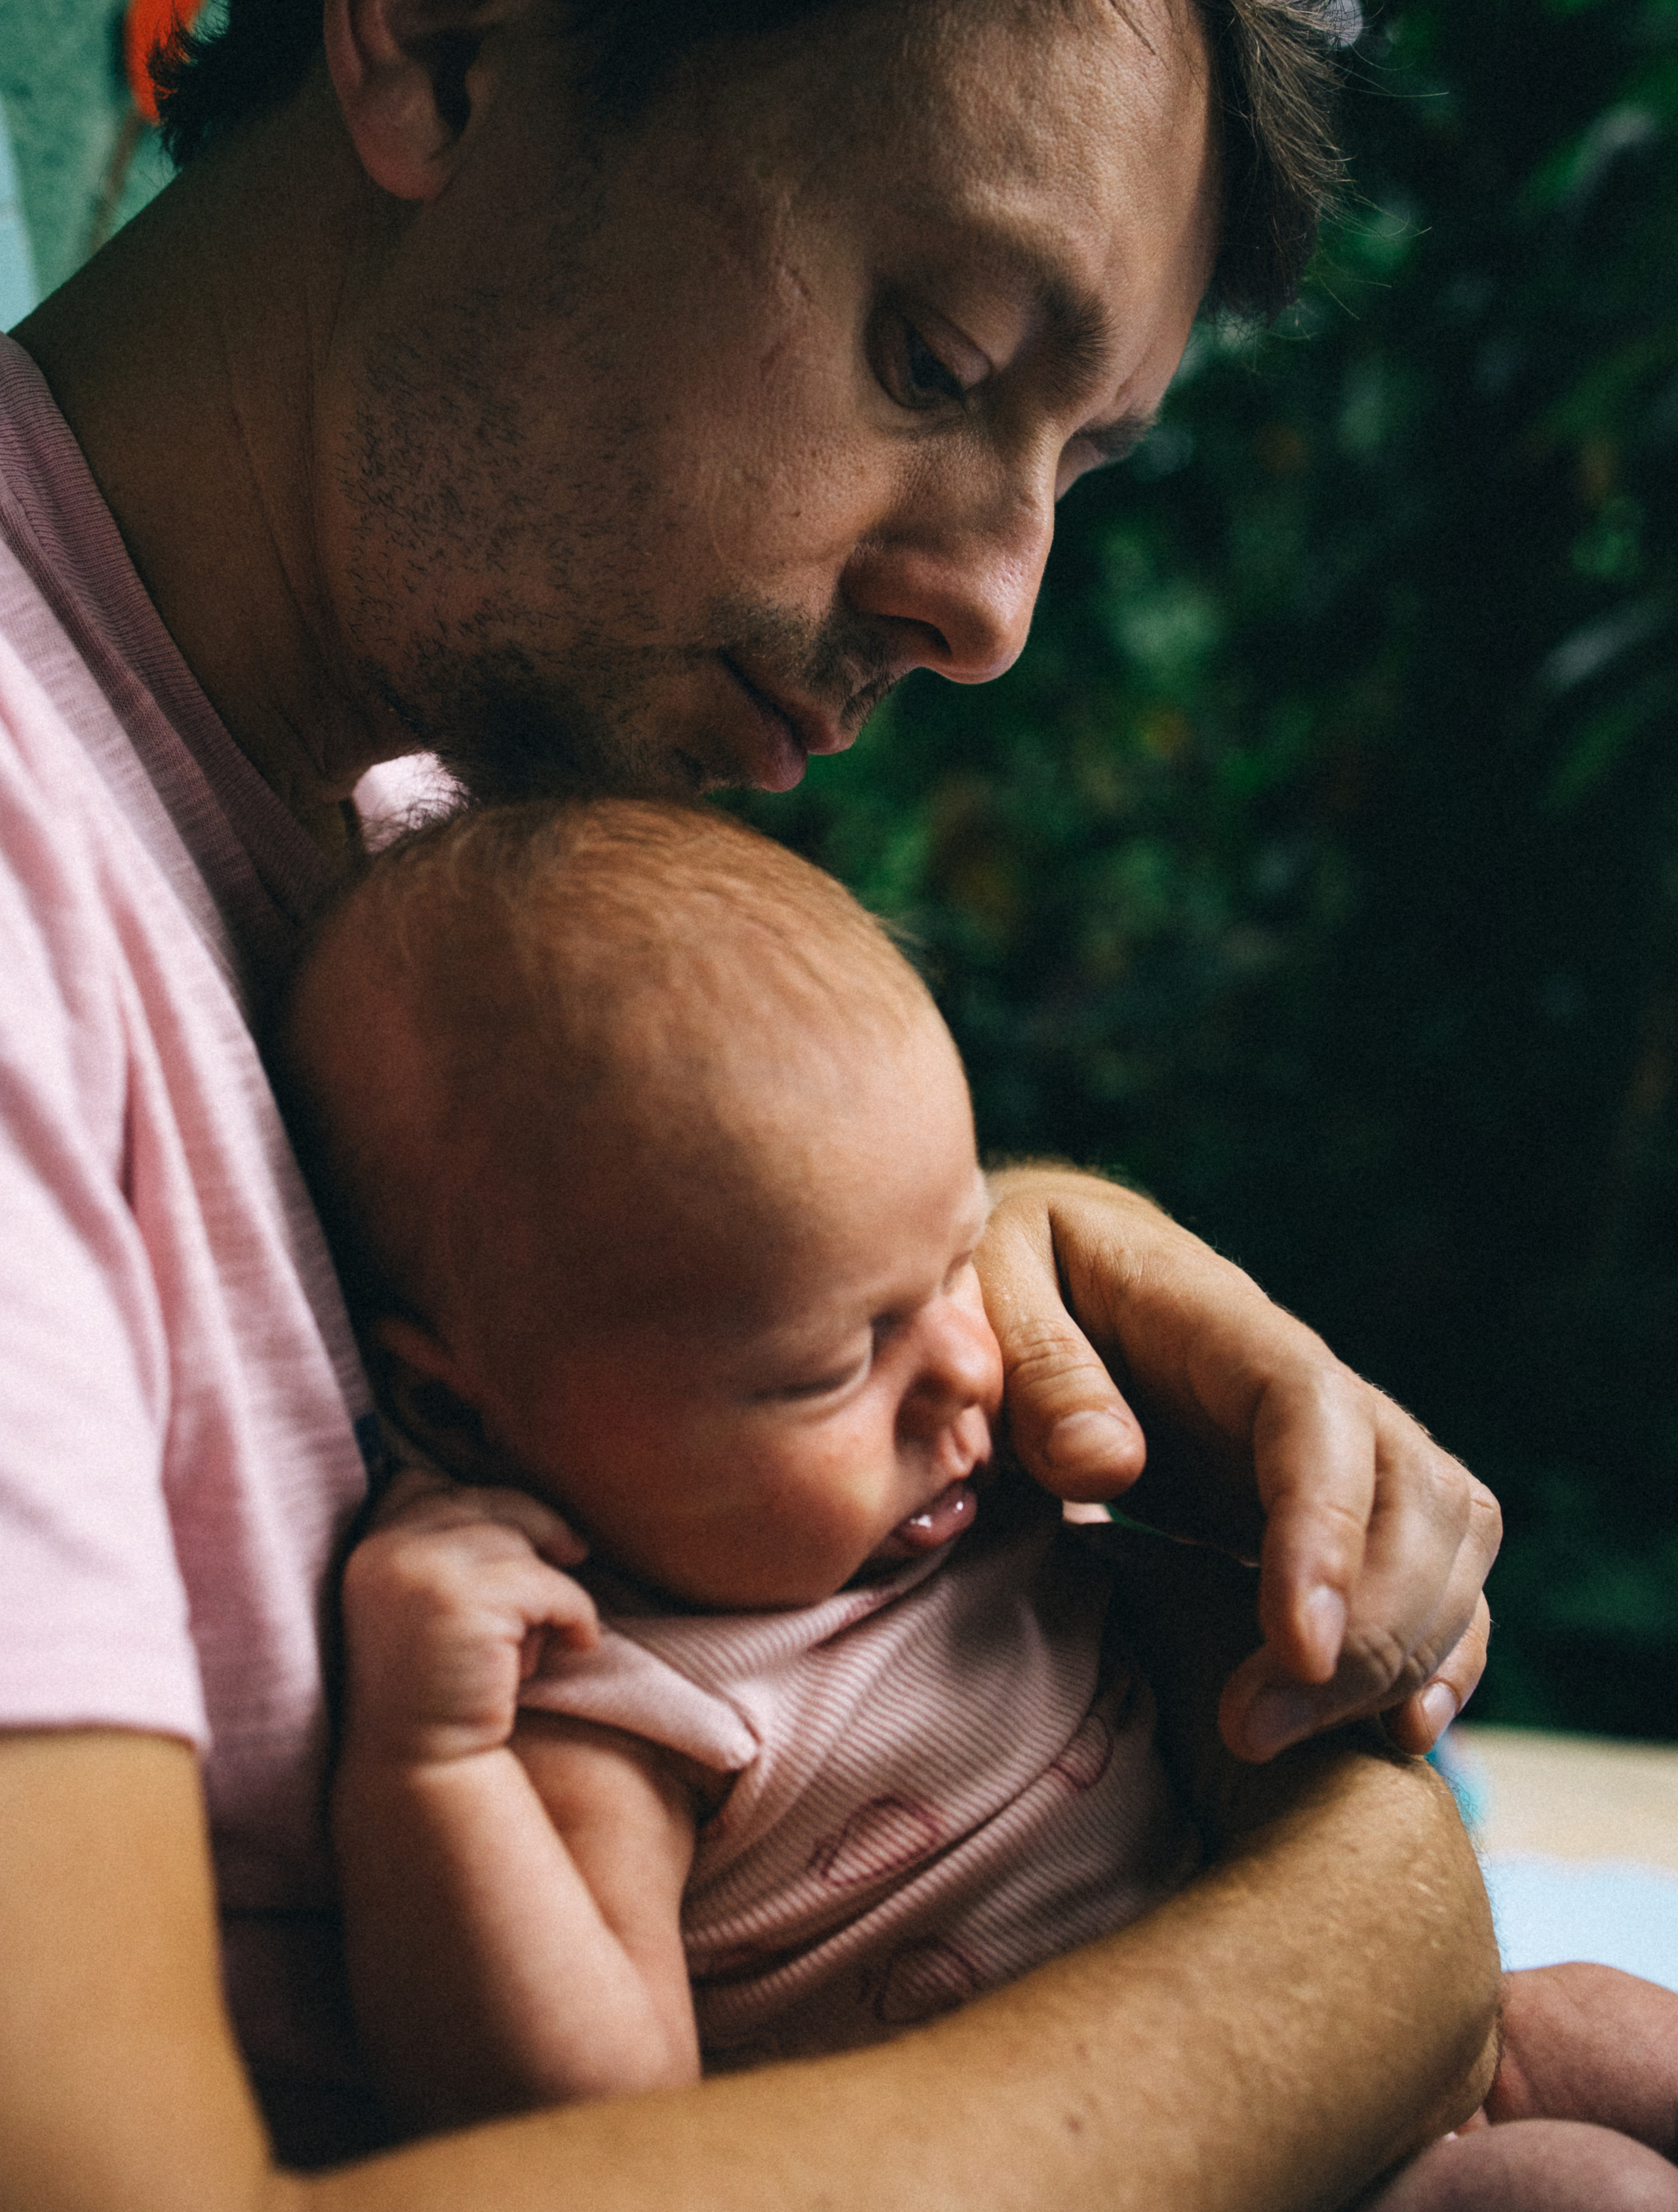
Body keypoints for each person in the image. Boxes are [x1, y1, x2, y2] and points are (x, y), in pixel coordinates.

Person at [0, 0, 1504, 2207]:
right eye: (936, 357)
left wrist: (948, 1264)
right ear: (454, 22)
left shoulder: (425, 846)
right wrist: (1368, 1917)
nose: (999, 606)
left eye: (1070, 466)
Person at [292, 800, 1678, 2212]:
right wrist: (432, 1753)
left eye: (958, 1257)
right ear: (466, 1414)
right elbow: (578, 2128)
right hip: (1113, 2173)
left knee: (1624, 2036)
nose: (964, 1365)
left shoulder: (970, 1469)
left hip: (1344, 2049)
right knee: (1581, 2196)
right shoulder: (619, 1696)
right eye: (836, 1362)